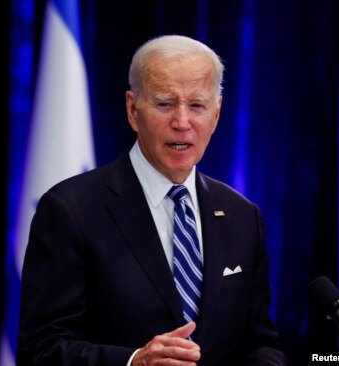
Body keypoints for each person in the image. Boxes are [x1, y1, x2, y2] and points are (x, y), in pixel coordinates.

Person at [17, 35, 286, 365]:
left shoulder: (242, 216)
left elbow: (260, 344)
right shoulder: (71, 210)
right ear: (133, 109)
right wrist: (133, 361)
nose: (182, 122)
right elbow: (39, 350)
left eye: (197, 106)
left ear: (216, 114)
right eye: (165, 104)